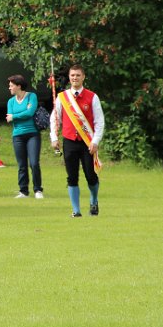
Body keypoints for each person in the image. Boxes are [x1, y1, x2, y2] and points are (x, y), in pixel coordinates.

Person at [50, 64, 105, 217]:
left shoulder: (92, 97)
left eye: (78, 75)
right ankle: (76, 210)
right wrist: (54, 137)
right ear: (69, 77)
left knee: (90, 176)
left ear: (83, 77)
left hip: (88, 143)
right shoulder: (62, 97)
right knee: (72, 177)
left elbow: (99, 121)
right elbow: (55, 119)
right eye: (72, 75)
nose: (75, 78)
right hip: (69, 141)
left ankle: (94, 200)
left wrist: (95, 141)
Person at [6, 75, 43, 199]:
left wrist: (15, 116)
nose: (9, 88)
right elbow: (9, 118)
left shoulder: (32, 96)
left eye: (11, 85)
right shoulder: (10, 101)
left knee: (34, 163)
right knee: (22, 165)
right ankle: (23, 191)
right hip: (17, 135)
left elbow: (30, 113)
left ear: (19, 86)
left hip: (33, 134)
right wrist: (22, 114)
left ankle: (38, 190)